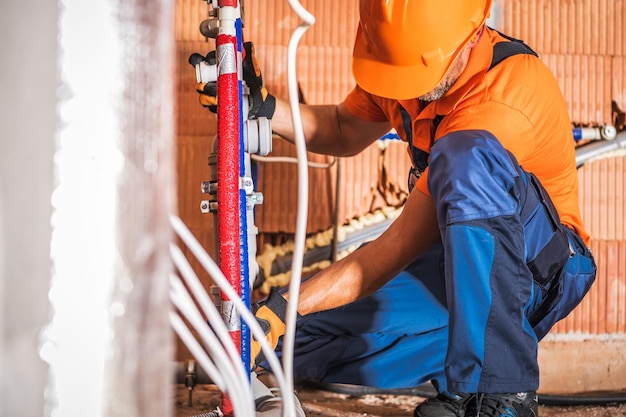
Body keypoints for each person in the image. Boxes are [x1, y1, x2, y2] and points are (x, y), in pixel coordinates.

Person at [192, 1, 597, 416]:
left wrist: (282, 305)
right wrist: (267, 110)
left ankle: (501, 393)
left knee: (466, 158)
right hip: (453, 266)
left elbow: (393, 247)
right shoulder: (400, 64)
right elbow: (343, 128)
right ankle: (461, 382)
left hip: (541, 271)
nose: (408, 90)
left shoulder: (502, 99)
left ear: (472, 35)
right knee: (280, 336)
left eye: (417, 75)